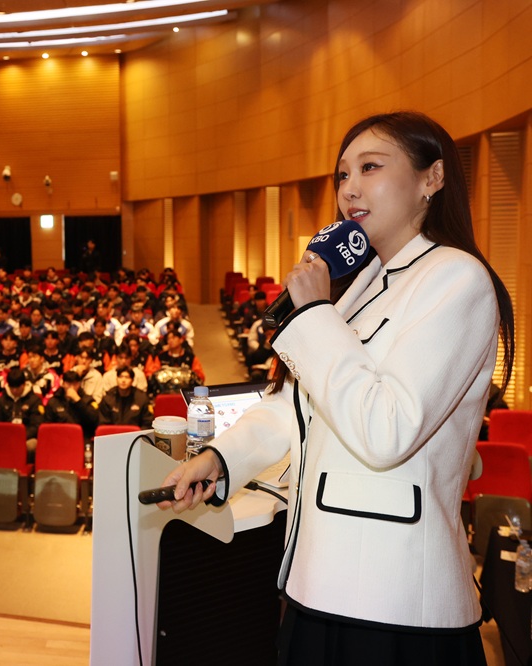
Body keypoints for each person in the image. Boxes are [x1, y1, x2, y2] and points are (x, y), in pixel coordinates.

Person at [159, 111, 514, 666]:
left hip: (396, 602)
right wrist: (222, 457)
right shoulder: (361, 284)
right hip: (316, 585)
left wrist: (317, 314)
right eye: (341, 175)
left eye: (369, 167)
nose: (350, 188)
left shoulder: (457, 279)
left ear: (432, 178)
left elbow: (386, 430)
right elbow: (295, 407)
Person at [0, 368, 45, 461]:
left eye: (17, 387)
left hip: (26, 438)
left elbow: (37, 425)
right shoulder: (2, 400)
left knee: (32, 445)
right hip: (5, 436)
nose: (14, 391)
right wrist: (7, 437)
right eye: (12, 388)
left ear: (24, 384)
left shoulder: (35, 400)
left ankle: (25, 471)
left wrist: (19, 437)